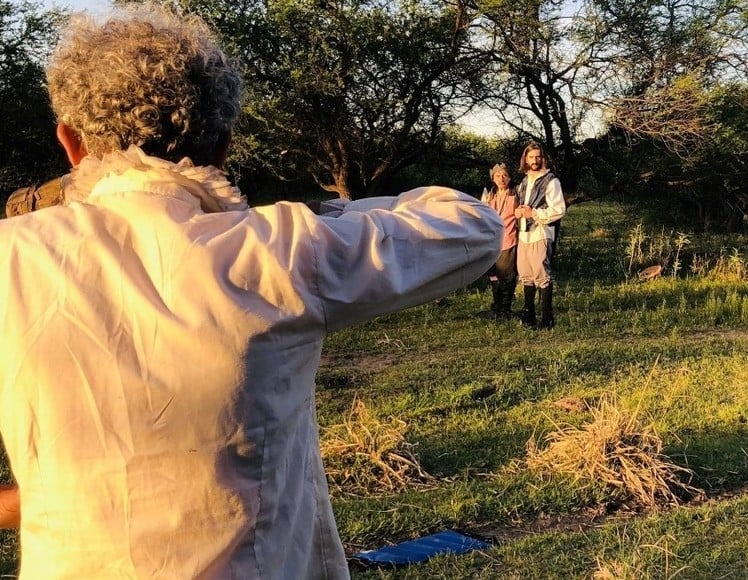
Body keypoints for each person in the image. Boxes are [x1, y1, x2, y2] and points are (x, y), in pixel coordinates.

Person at [0, 4, 501, 579]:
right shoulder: (282, 246)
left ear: (70, 143)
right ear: (223, 145)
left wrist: (38, 494)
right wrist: (321, 215)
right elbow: (473, 226)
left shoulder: (10, 254)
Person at [514, 143, 566, 329]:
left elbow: (559, 210)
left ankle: (546, 318)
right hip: (524, 233)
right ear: (525, 159)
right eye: (531, 157)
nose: (534, 161)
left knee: (541, 274)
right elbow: (523, 205)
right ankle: (528, 315)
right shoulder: (525, 181)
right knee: (526, 273)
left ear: (543, 158)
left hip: (540, 232)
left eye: (538, 157)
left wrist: (534, 214)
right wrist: (520, 212)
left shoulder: (551, 181)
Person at [480, 163, 518, 318]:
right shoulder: (489, 195)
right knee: (493, 274)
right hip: (491, 241)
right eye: (497, 176)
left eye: (504, 175)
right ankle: (496, 306)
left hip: (509, 239)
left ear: (509, 177)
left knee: (507, 275)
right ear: (492, 178)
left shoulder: (516, 194)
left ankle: (505, 308)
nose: (501, 179)